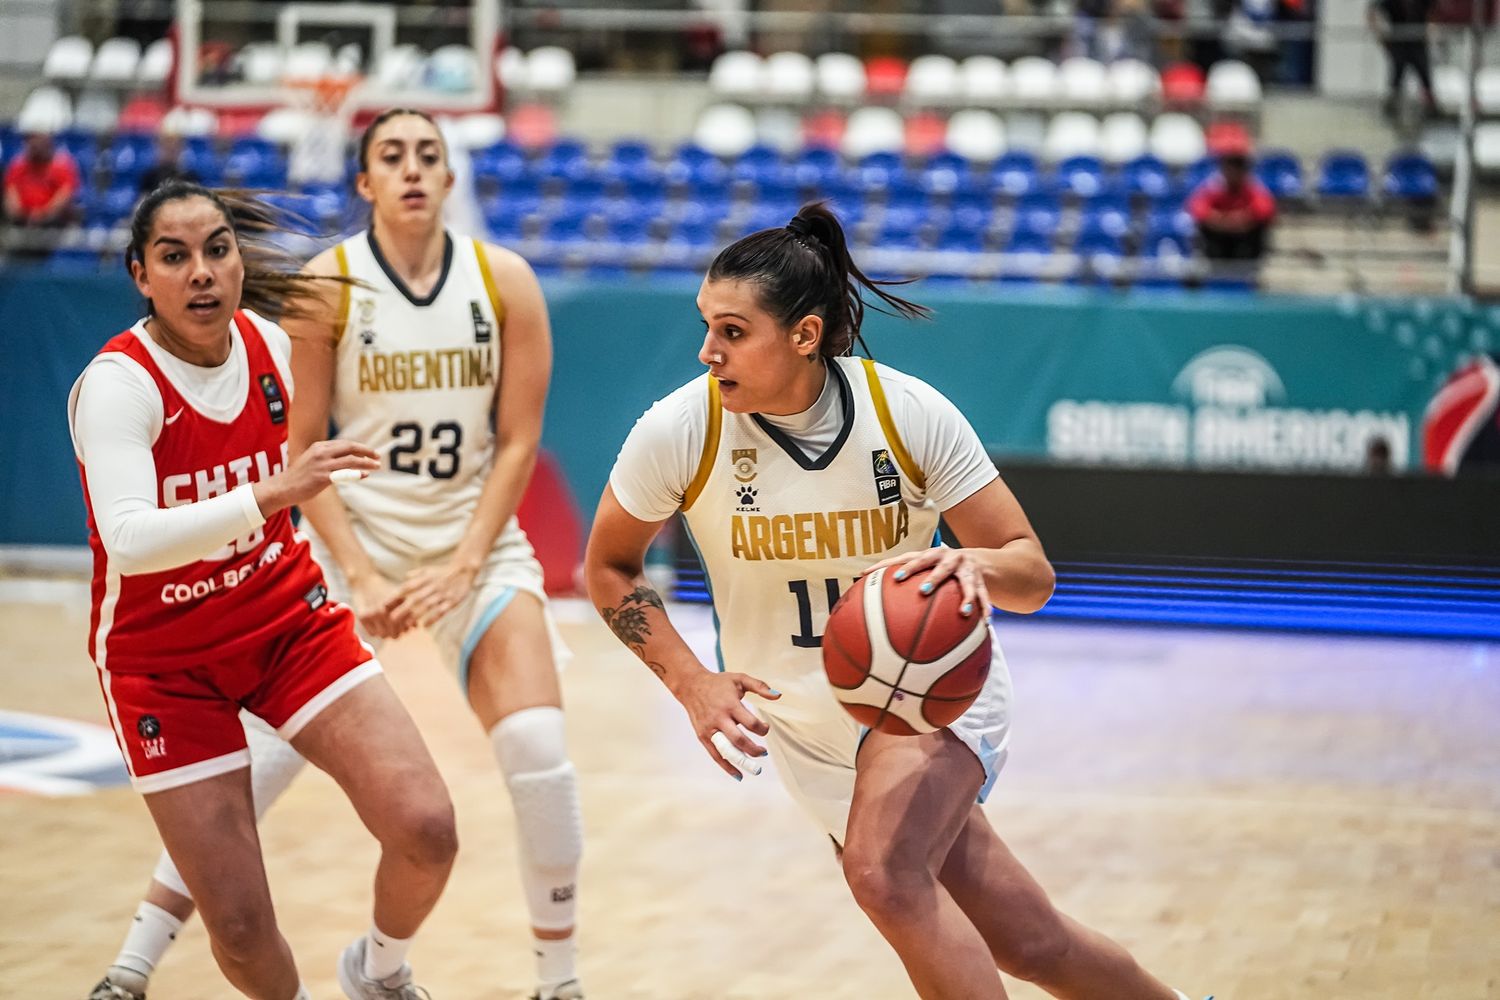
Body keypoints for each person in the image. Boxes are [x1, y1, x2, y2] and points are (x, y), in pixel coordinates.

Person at [585, 203, 1208, 1000]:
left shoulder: (904, 412)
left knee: (882, 873)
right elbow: (608, 566)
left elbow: (1031, 573)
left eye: (734, 332)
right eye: (706, 326)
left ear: (804, 335)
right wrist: (690, 681)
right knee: (1028, 940)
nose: (708, 351)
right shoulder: (680, 430)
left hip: (925, 697)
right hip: (806, 727)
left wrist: (968, 570)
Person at [90, 108, 587, 1000]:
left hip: (435, 553)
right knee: (249, 848)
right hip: (301, 564)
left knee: (508, 771)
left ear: (451, 176)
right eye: (390, 155)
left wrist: (468, 560)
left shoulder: (496, 280)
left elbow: (519, 440)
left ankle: (527, 980)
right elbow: (284, 465)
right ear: (362, 181)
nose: (411, 170)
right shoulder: (312, 298)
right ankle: (136, 957)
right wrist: (348, 564)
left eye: (429, 155)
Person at [71, 181, 457, 1000]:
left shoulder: (278, 349)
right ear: (142, 276)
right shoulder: (119, 384)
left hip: (287, 625)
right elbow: (132, 541)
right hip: (163, 665)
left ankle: (379, 973)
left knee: (427, 828)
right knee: (242, 934)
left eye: (217, 249)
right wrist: (273, 493)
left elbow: (334, 472)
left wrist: (374, 567)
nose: (202, 272)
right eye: (175, 258)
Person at [1186, 140, 1277, 280]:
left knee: (1260, 231)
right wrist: (1221, 220)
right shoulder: (1214, 186)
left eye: (1239, 166)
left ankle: (1249, 276)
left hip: (1244, 240)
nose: (1234, 171)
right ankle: (1215, 277)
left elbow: (1265, 210)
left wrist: (1242, 219)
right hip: (1218, 239)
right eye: (1230, 165)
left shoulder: (1252, 187)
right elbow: (1197, 209)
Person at [3, 129, 81, 257]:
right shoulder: (18, 166)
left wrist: (41, 215)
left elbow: (63, 198)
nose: (35, 146)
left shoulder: (61, 166)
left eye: (38, 141)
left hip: (54, 223)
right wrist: (23, 214)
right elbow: (11, 198)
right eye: (31, 142)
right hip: (23, 221)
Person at [1368, 0, 1433, 117]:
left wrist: (1430, 29)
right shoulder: (1391, 3)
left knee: (1424, 76)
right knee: (1397, 75)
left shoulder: (1423, 4)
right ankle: (1392, 107)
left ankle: (1430, 106)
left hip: (1417, 43)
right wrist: (1379, 34)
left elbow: (1435, 12)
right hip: (1399, 44)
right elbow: (1373, 11)